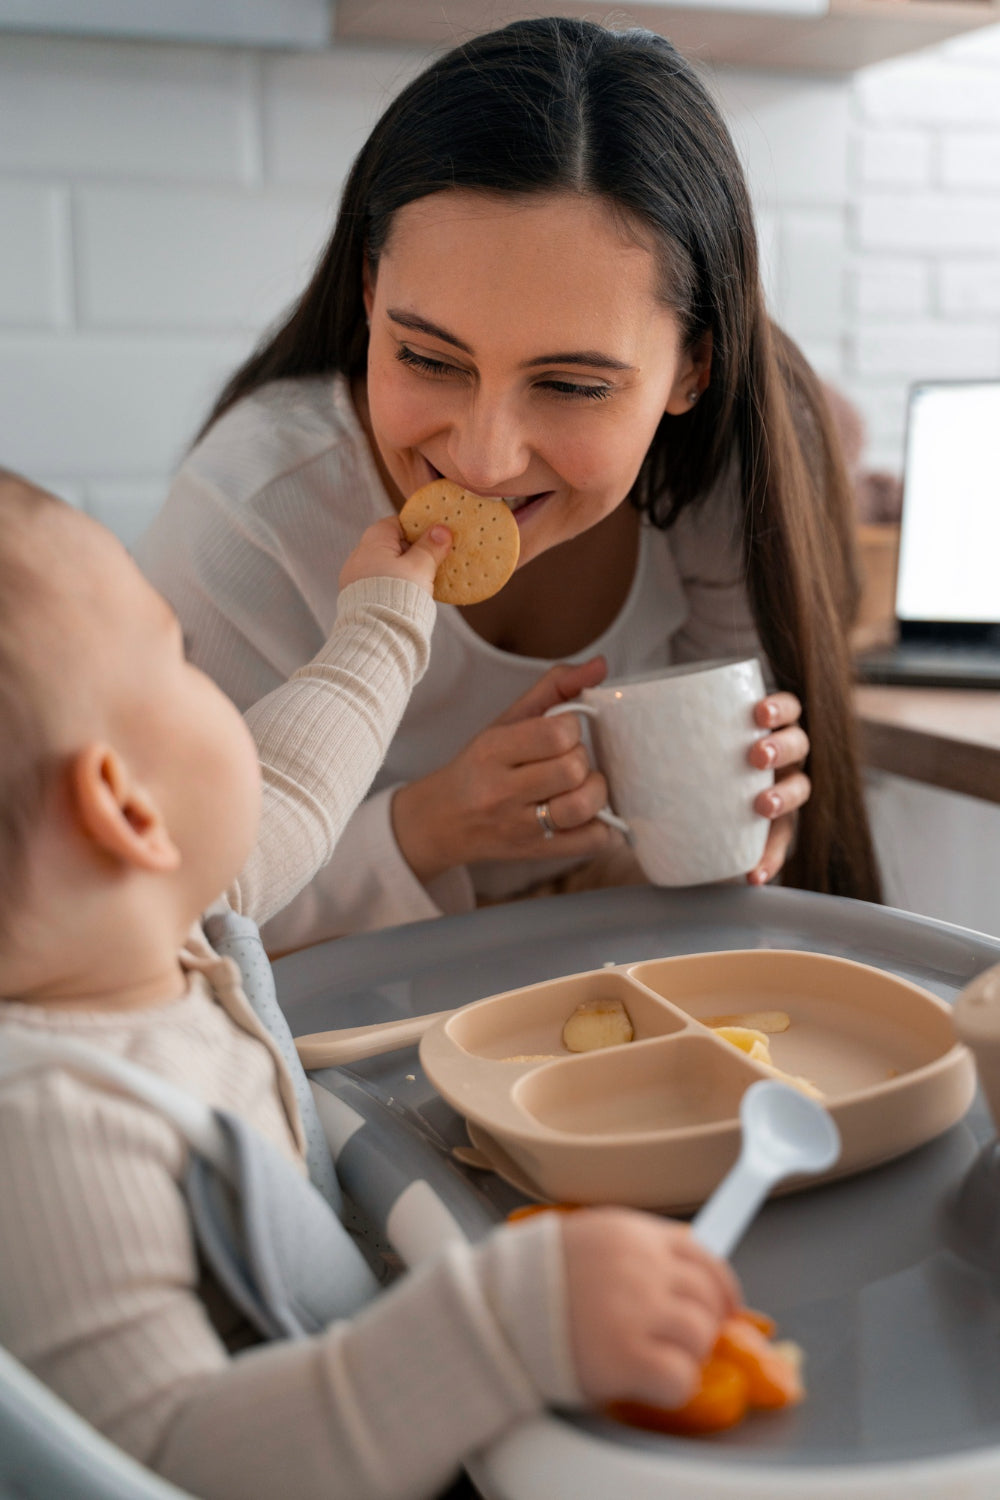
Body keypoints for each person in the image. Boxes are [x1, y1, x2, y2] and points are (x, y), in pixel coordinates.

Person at [0, 474, 741, 1500]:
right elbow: (171, 1463)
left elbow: (303, 771)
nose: (213, 685)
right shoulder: (48, 1134)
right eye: (179, 659)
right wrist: (501, 1327)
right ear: (125, 809)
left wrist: (385, 614)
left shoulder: (153, 916)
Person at [138, 16, 881, 955]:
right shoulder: (253, 512)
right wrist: (429, 827)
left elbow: (715, 869)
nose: (484, 462)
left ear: (694, 368)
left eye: (571, 386)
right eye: (427, 357)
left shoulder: (725, 482)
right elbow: (151, 919)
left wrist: (746, 827)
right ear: (369, 293)